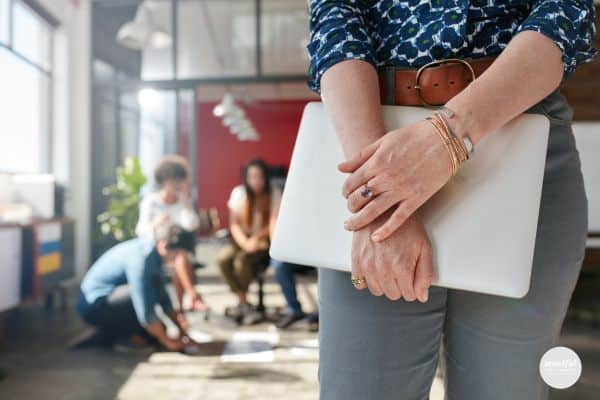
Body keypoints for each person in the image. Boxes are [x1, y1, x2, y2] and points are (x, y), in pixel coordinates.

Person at [307, 1, 596, 399]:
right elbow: (335, 19)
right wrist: (380, 196)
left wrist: (448, 136)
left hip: (520, 141)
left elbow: (564, 10)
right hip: (372, 142)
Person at [76, 226, 197, 353]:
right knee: (153, 325)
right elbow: (145, 309)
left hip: (117, 299)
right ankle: (112, 334)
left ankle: (109, 334)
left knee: (155, 334)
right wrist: (169, 343)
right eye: (178, 257)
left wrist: (184, 334)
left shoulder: (155, 254)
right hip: (94, 305)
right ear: (164, 245)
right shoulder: (142, 258)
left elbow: (164, 299)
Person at [135, 155, 207, 313]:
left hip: (178, 247)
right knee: (181, 259)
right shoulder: (151, 202)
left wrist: (187, 203)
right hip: (156, 247)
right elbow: (140, 231)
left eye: (178, 180)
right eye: (172, 180)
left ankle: (181, 309)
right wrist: (157, 224)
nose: (175, 184)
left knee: (179, 260)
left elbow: (191, 225)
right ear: (163, 180)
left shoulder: (182, 200)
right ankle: (193, 297)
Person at [217, 159, 281, 323]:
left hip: (262, 242)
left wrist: (255, 239)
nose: (256, 180)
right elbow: (234, 224)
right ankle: (243, 301)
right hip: (241, 240)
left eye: (259, 176)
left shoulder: (274, 193)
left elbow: (273, 222)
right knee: (222, 259)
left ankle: (243, 303)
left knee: (241, 261)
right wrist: (245, 242)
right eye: (252, 176)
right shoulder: (239, 193)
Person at [271, 260, 317, 329]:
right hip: (296, 258)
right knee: (279, 266)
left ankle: (320, 315)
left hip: (319, 259)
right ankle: (294, 311)